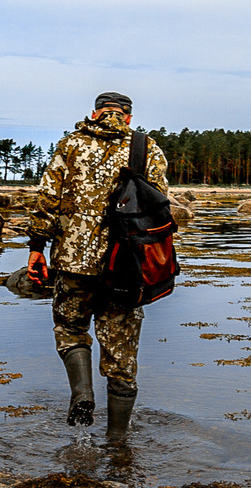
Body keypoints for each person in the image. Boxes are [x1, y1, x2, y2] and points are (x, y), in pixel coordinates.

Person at [21, 91, 169, 433]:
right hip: (126, 265)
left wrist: (36, 247)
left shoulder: (70, 145)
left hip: (73, 262)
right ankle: (118, 443)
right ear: (128, 117)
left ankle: (82, 393)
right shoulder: (147, 148)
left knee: (70, 330)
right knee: (121, 356)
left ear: (94, 113)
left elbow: (48, 200)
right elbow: (158, 206)